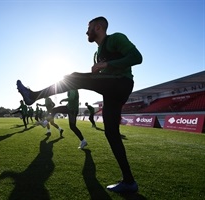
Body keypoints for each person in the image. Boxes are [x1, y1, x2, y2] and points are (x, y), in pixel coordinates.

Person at [16, 16, 142, 193]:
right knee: (111, 133)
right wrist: (101, 68)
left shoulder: (115, 38)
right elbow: (104, 74)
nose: (86, 31)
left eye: (88, 27)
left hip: (121, 83)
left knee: (73, 77)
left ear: (98, 27)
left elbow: (137, 57)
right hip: (111, 91)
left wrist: (106, 64)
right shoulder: (97, 53)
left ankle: (33, 96)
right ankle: (129, 182)